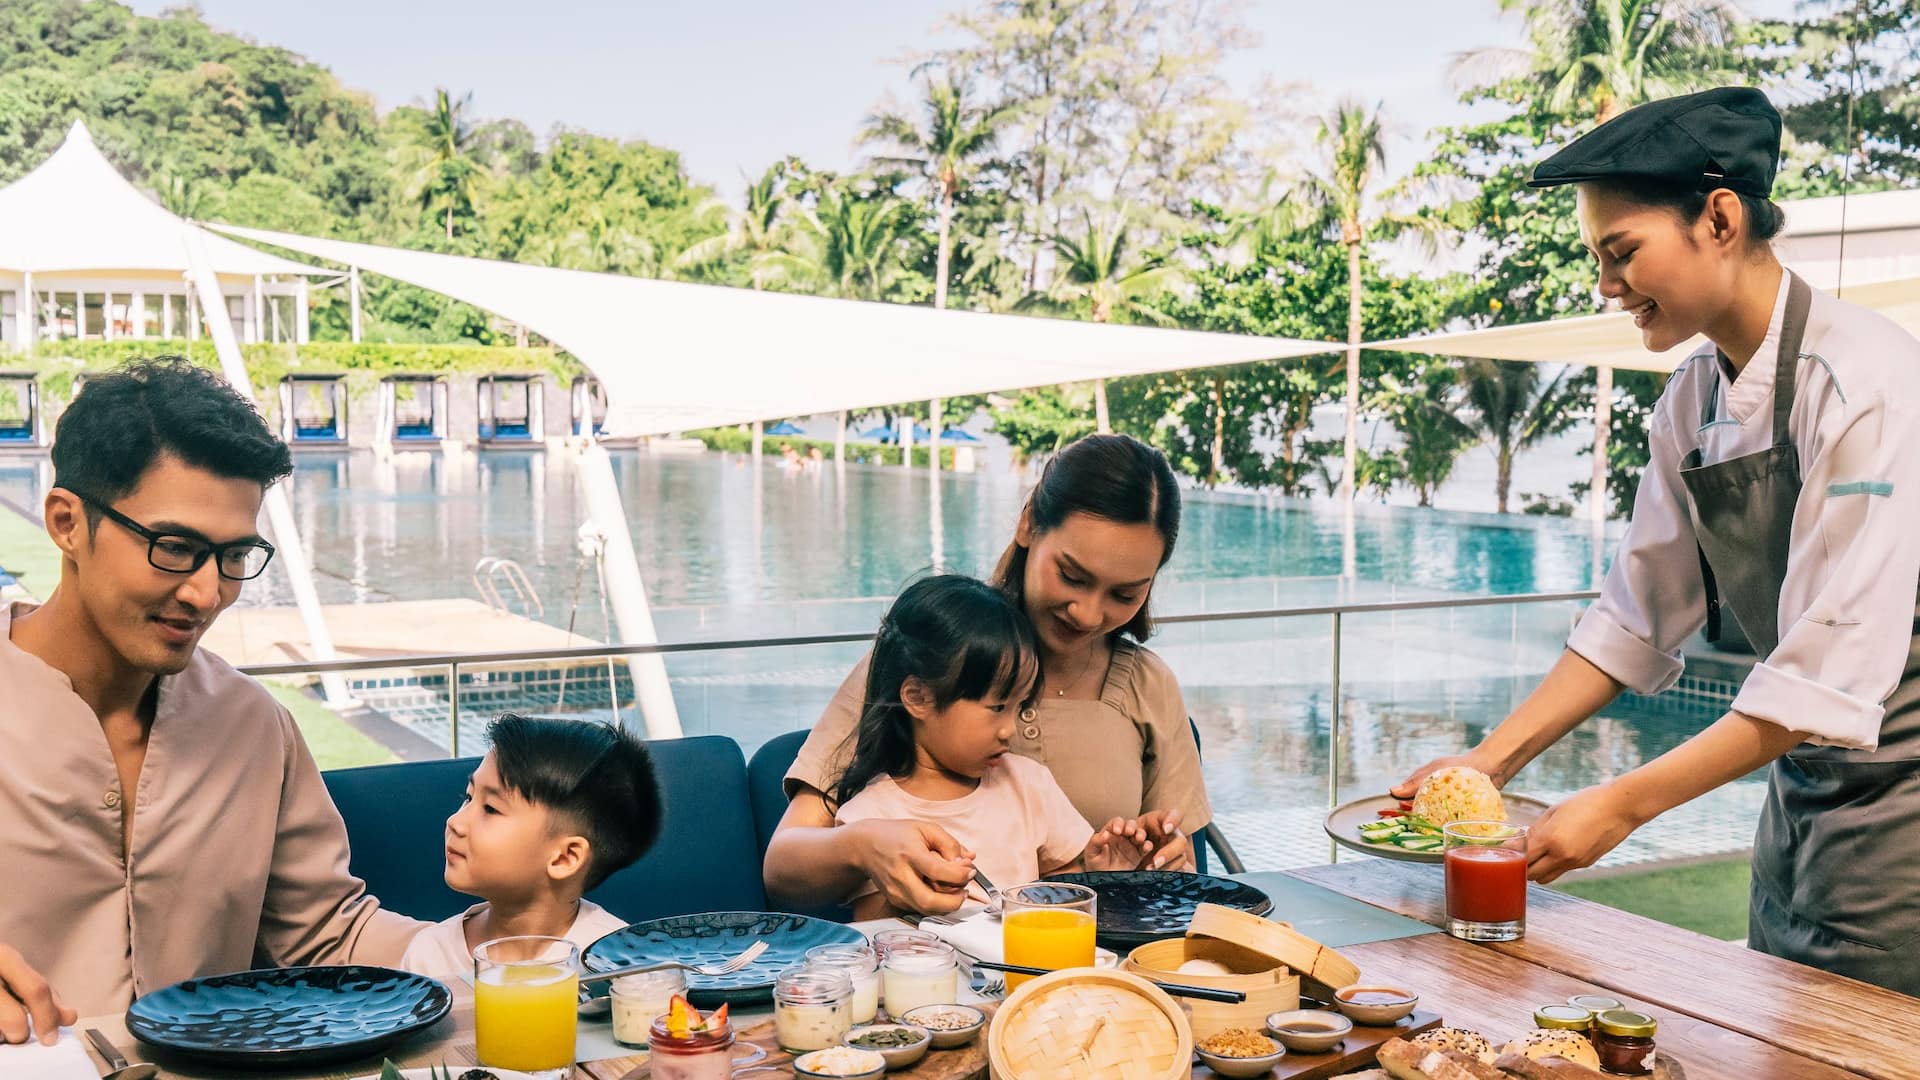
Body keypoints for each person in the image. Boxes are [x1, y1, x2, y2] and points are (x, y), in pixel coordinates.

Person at [1394, 87, 1920, 992]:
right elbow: (1633, 618)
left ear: (1718, 218)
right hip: (1796, 806)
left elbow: (1821, 681)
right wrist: (1487, 763)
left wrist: (1621, 804)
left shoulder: (1868, 380)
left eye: (1622, 252)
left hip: (1904, 821)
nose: (1606, 286)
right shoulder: (1694, 398)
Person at [0, 357, 426, 1041]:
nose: (208, 593)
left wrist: (500, 946)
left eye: (234, 556)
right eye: (175, 547)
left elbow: (323, 938)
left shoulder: (254, 727)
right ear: (66, 522)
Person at [766, 434, 1212, 915]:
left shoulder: (1148, 686)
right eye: (1072, 576)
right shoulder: (926, 658)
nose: (1087, 613)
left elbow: (1179, 874)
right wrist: (860, 845)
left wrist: (1167, 865)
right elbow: (782, 871)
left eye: (1125, 595)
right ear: (1028, 523)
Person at [829, 575, 1168, 919]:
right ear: (919, 697)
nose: (1010, 729)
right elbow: (870, 929)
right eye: (997, 708)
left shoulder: (1028, 783)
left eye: (1018, 708)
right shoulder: (871, 816)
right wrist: (913, 899)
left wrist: (1096, 869)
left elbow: (1054, 887)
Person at [399, 713, 662, 978]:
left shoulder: (621, 967)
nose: (455, 821)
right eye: (468, 797)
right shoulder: (429, 957)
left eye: (490, 808)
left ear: (565, 858)